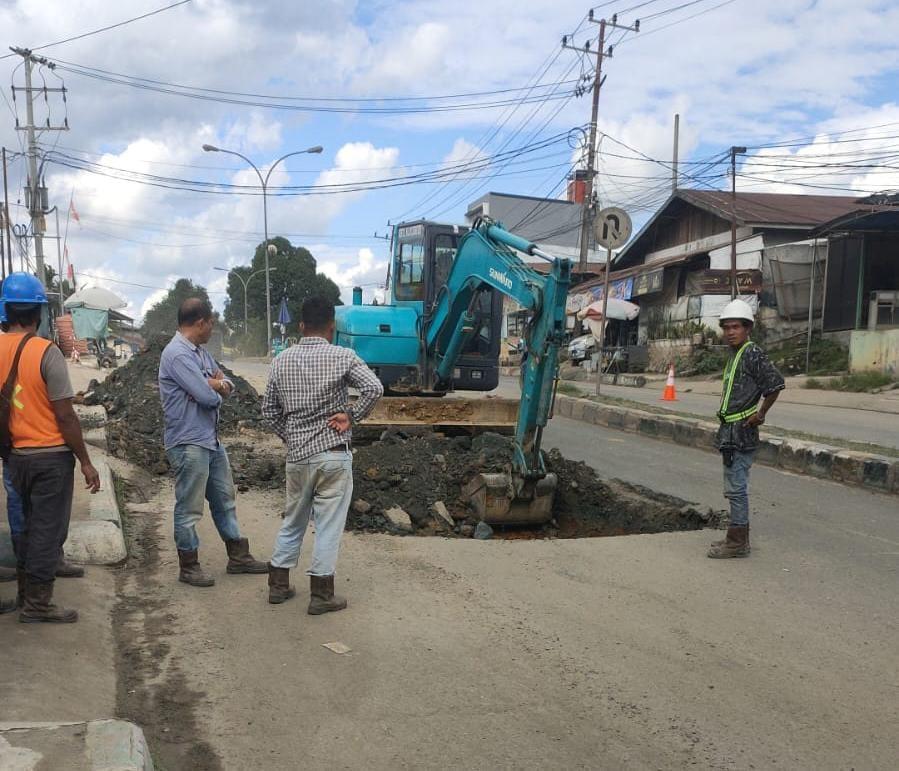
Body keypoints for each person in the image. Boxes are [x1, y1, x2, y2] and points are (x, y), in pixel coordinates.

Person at [262, 296, 383, 613]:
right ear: (332, 327)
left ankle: (278, 585)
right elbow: (374, 389)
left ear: (301, 326)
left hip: (298, 457)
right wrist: (351, 416)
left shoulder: (281, 360)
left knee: (293, 520)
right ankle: (321, 595)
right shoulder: (344, 356)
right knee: (328, 525)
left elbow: (268, 411)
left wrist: (291, 436)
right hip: (332, 455)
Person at [0, 273, 101, 623]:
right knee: (46, 531)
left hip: (13, 458)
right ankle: (38, 606)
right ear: (39, 312)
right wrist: (85, 461)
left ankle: (26, 594)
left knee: (25, 528)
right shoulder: (47, 352)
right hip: (50, 459)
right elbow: (65, 416)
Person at [159, 297, 268, 586]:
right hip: (188, 441)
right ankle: (189, 565)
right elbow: (209, 398)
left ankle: (238, 556)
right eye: (211, 323)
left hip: (210, 440)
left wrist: (213, 382)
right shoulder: (178, 355)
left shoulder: (199, 353)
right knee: (189, 506)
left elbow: (226, 382)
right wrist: (211, 385)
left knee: (224, 497)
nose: (212, 329)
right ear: (200, 322)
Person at [709, 299, 785, 559]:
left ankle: (738, 543)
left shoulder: (752, 353)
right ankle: (735, 537)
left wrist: (760, 414)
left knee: (737, 488)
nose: (730, 332)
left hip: (742, 432)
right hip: (731, 431)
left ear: (747, 328)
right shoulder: (735, 355)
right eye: (727, 327)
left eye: (736, 327)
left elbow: (774, 385)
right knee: (733, 486)